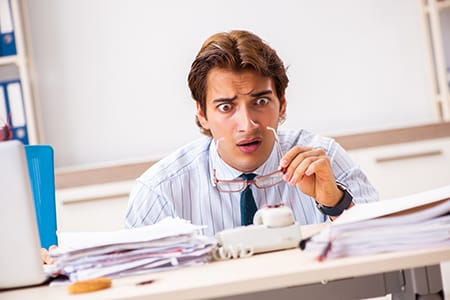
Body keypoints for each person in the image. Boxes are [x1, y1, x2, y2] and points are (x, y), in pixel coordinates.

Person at [124, 30, 378, 236]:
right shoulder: (160, 191)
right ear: (202, 114)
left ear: (282, 104)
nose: (247, 125)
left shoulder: (324, 160)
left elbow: (386, 250)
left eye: (261, 102)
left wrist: (336, 203)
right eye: (226, 107)